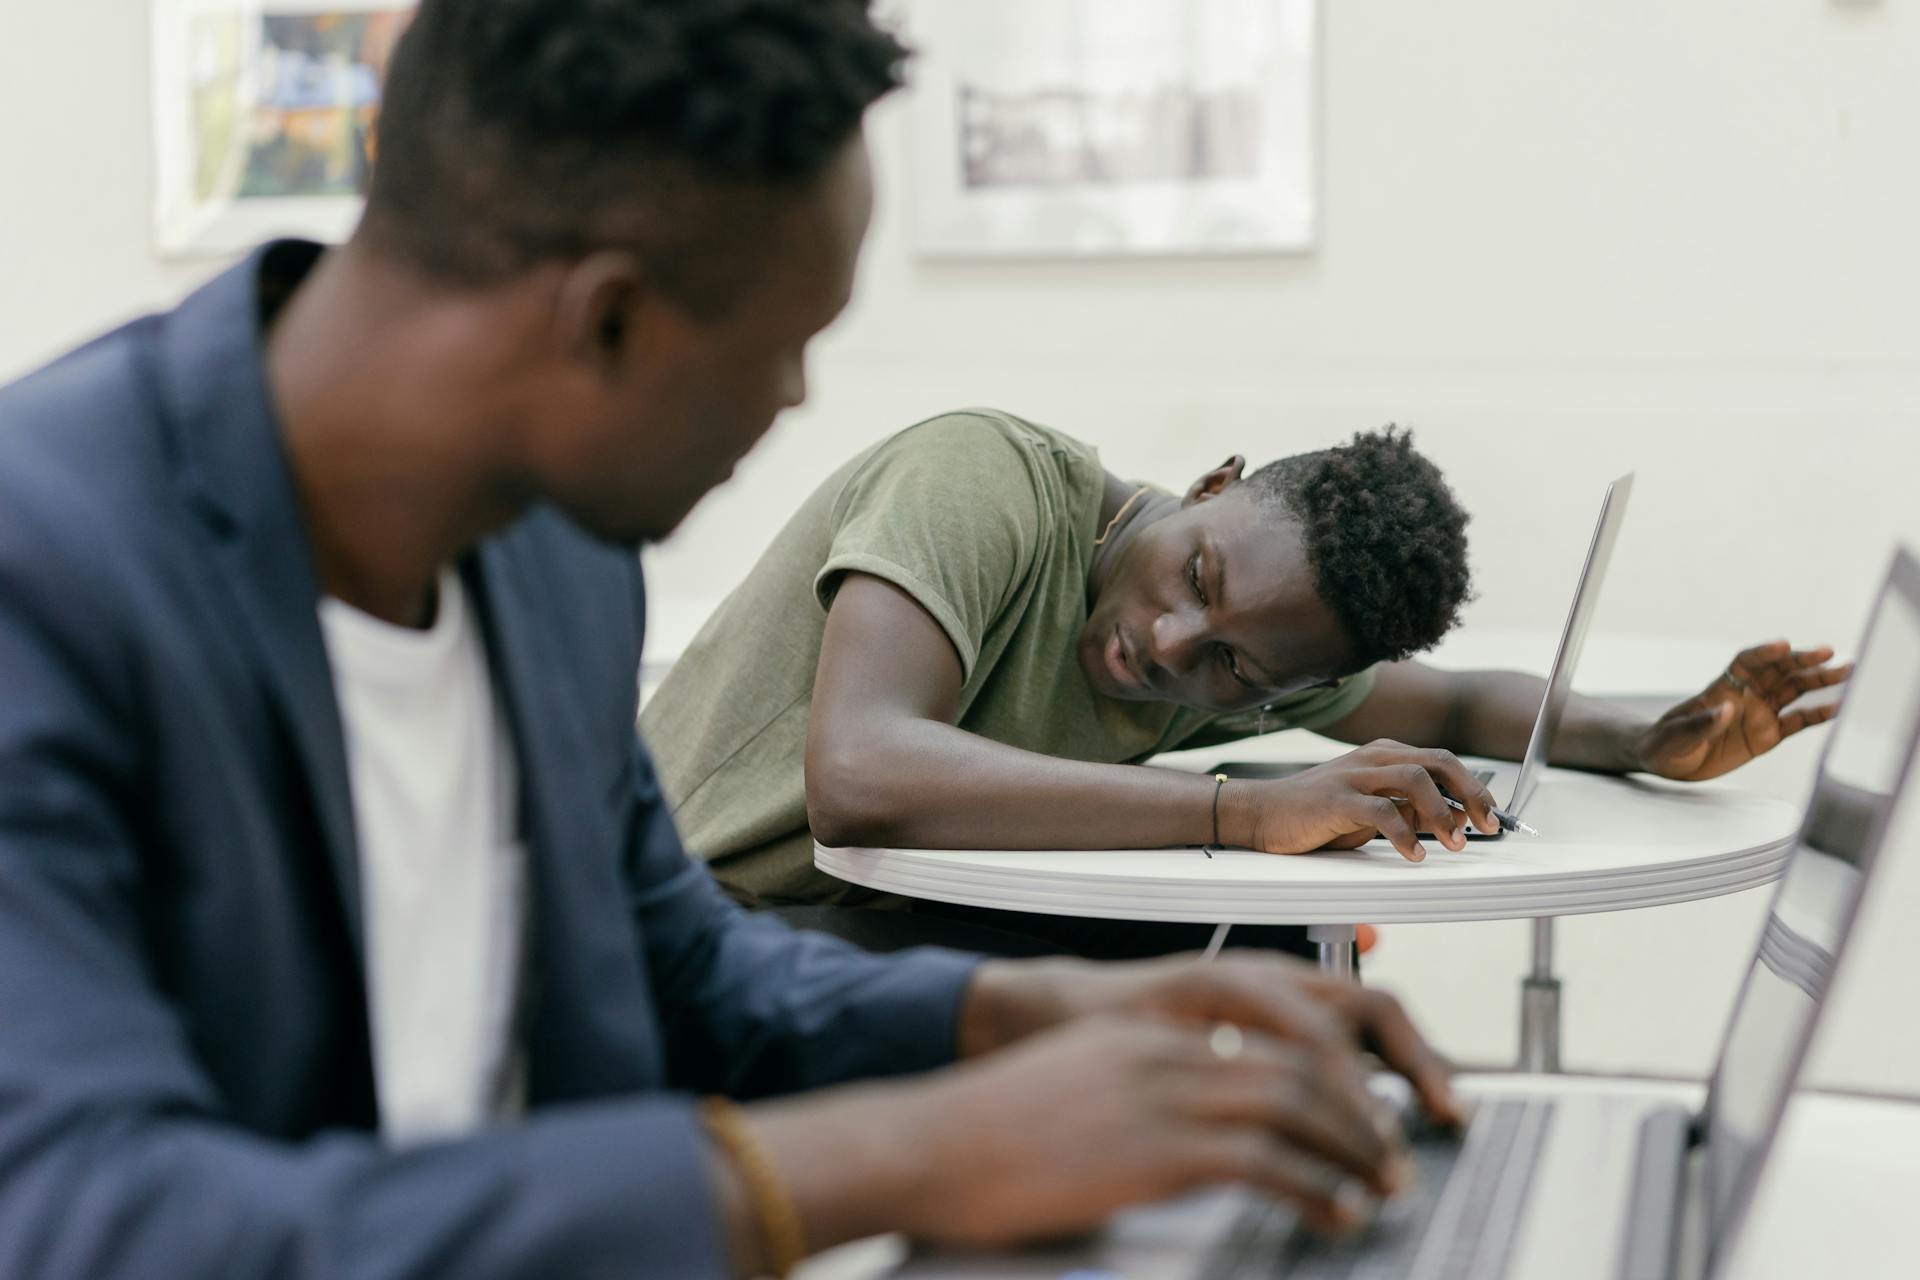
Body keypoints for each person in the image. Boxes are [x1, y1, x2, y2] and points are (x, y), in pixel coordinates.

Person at [0, 3, 1475, 1276]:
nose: (792, 397)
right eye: (790, 341)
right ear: (610, 321)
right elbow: (88, 1221)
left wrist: (1041, 1008)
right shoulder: (45, 575)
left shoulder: (553, 563)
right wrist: (898, 1154)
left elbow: (684, 977)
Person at [641, 408, 1849, 955]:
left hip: (844, 929)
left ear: (1280, 693)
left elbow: (1466, 704)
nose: (1170, 644)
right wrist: (1245, 810)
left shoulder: (1247, 667)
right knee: (1227, 958)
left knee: (1271, 953)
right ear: (1212, 480)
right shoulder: (987, 480)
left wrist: (1646, 734)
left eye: (1232, 669)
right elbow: (860, 771)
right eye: (1198, 572)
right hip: (681, 933)